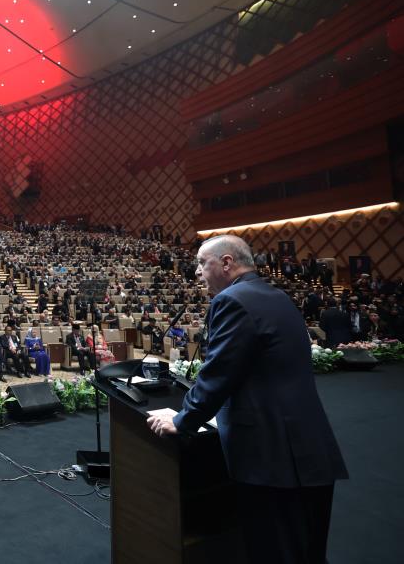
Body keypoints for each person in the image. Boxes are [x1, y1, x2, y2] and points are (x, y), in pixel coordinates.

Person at [147, 235, 346, 563]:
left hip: (271, 456)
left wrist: (183, 420)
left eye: (202, 263)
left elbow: (219, 372)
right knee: (309, 553)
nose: (196, 272)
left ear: (227, 263)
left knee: (275, 552)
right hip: (309, 449)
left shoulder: (232, 301)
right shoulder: (277, 296)